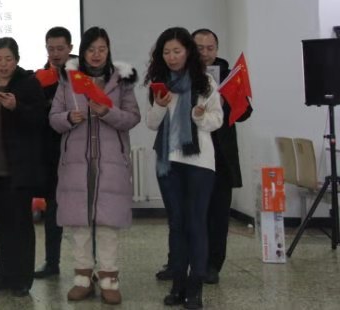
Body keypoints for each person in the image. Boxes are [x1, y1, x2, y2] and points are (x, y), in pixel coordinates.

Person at [49, 27, 141, 304]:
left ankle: (109, 279)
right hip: (76, 164)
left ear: (108, 50)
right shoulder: (68, 80)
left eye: (102, 49)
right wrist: (69, 117)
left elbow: (132, 117)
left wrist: (107, 112)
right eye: (91, 49)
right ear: (83, 51)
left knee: (107, 224)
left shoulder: (121, 81)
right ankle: (82, 278)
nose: (97, 54)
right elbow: (53, 118)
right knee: (79, 224)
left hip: (111, 164)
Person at [145, 27, 223, 309]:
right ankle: (177, 284)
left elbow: (217, 119)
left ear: (188, 52)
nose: (172, 57)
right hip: (169, 162)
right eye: (166, 52)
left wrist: (199, 116)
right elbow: (151, 123)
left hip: (199, 162)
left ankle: (195, 288)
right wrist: (159, 105)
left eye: (177, 51)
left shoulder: (205, 82)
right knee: (176, 223)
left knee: (196, 223)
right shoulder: (160, 83)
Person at [0, 37, 46, 297]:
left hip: (17, 167)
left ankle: (22, 278)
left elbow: (40, 120)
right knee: (1, 225)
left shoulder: (28, 83)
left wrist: (17, 107)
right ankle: (3, 275)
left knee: (20, 225)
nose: (3, 64)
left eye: (8, 59)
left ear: (17, 60)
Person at [192, 28, 252, 285]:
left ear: (217, 49)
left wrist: (228, 101)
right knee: (189, 213)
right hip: (191, 153)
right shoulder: (182, 73)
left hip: (221, 156)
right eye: (200, 48)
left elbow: (245, 112)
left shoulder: (229, 76)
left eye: (210, 48)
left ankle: (213, 265)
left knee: (217, 215)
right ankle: (180, 262)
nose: (205, 53)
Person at [35, 26, 77, 279]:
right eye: (51, 49)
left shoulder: (83, 75)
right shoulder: (40, 78)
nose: (55, 53)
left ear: (70, 48)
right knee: (52, 210)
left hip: (80, 151)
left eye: (60, 48)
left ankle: (92, 266)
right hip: (51, 154)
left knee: (85, 211)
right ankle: (52, 263)